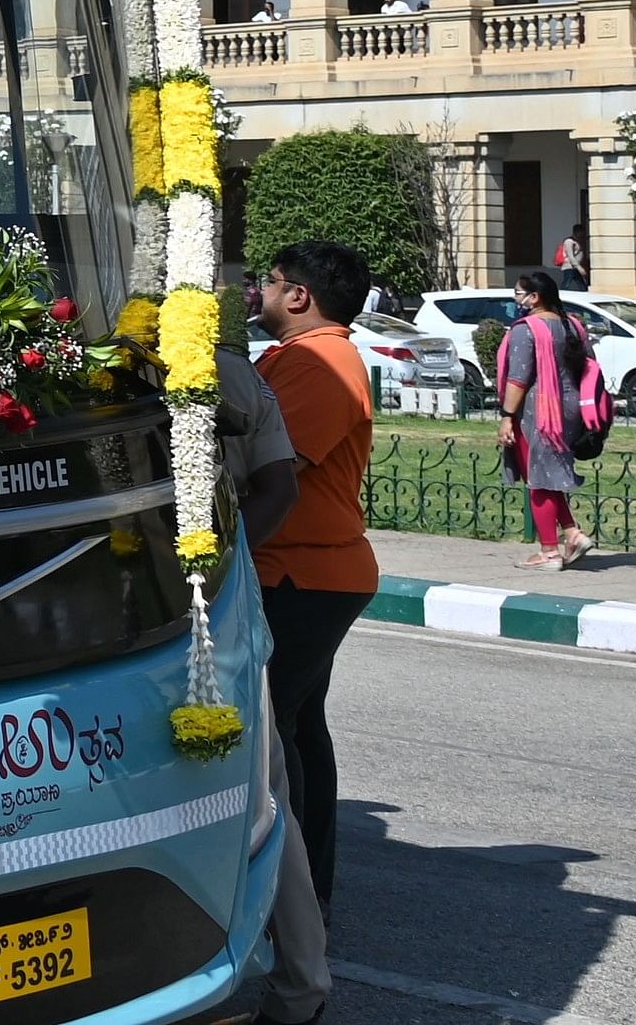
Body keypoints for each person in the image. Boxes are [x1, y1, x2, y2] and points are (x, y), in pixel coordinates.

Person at [255, 239, 381, 925]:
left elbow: (275, 468)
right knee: (299, 728)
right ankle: (313, 893)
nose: (261, 292)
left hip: (304, 570)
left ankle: (297, 898)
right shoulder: (304, 356)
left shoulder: (318, 360)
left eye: (269, 282)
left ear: (299, 295)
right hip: (306, 567)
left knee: (274, 733)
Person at [211, 324, 322, 1024]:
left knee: (263, 792)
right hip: (219, 608)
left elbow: (278, 488)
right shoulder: (234, 370)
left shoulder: (107, 368)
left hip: (185, 610)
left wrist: (208, 561)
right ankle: (300, 982)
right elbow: (278, 489)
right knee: (263, 796)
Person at [500, 270, 597, 569]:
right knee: (551, 474)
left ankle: (549, 553)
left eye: (518, 293)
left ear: (534, 297)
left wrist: (506, 416)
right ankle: (573, 534)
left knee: (539, 481)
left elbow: (518, 379)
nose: (517, 299)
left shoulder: (525, 329)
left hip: (539, 410)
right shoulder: (574, 326)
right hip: (571, 409)